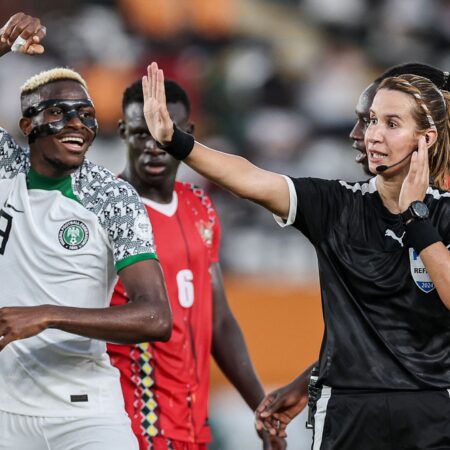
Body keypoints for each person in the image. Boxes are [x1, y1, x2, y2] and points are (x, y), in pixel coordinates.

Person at [142, 62, 450, 449]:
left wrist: (415, 218)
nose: (371, 135)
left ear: (426, 138)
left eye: (391, 124)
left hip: (432, 407)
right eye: (372, 120)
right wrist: (175, 140)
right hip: (347, 407)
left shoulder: (445, 214)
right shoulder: (335, 203)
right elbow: (250, 178)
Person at [0, 14, 172, 450]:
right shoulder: (4, 168)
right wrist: (2, 44)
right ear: (27, 127)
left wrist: (48, 314)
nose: (77, 123)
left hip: (86, 416)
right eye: (59, 113)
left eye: (87, 115)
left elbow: (156, 317)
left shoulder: (111, 197)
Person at [255, 62, 450, 438]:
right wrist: (313, 377)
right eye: (367, 120)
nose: (359, 134)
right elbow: (393, 323)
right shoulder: (370, 200)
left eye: (380, 121)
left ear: (427, 132)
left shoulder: (435, 202)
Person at [107, 78, 286, 450]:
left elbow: (218, 319)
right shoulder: (108, 211)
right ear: (123, 131)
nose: (153, 148)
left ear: (188, 133)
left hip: (191, 425)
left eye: (164, 134)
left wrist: (261, 407)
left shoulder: (199, 206)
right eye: (141, 133)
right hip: (132, 425)